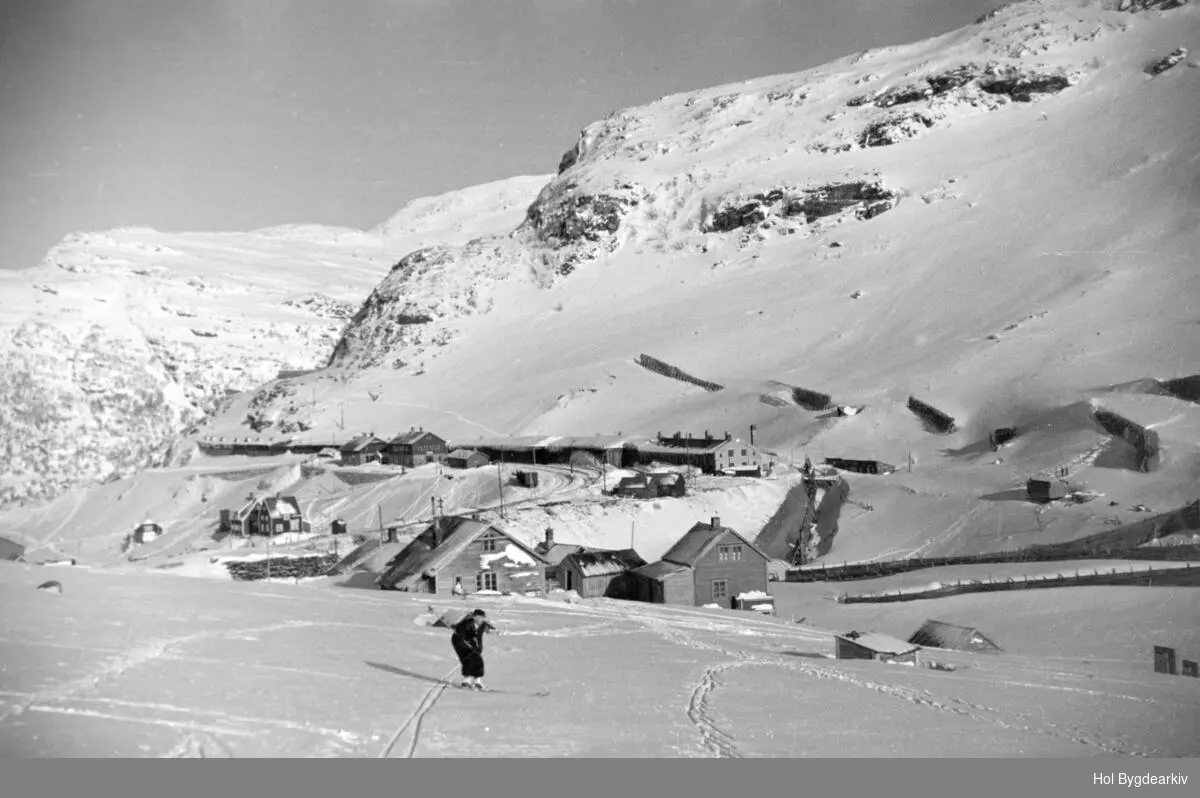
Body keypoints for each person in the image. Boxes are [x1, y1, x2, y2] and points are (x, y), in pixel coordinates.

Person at [450, 609, 497, 690]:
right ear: (475, 617)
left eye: (483, 617)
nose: (482, 619)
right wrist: (471, 648)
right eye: (480, 617)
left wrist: (479, 648)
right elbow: (461, 639)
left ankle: (477, 681)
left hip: (469, 640)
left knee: (478, 658)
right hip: (458, 640)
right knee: (467, 658)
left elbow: (479, 638)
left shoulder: (482, 626)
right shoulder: (465, 625)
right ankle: (466, 681)